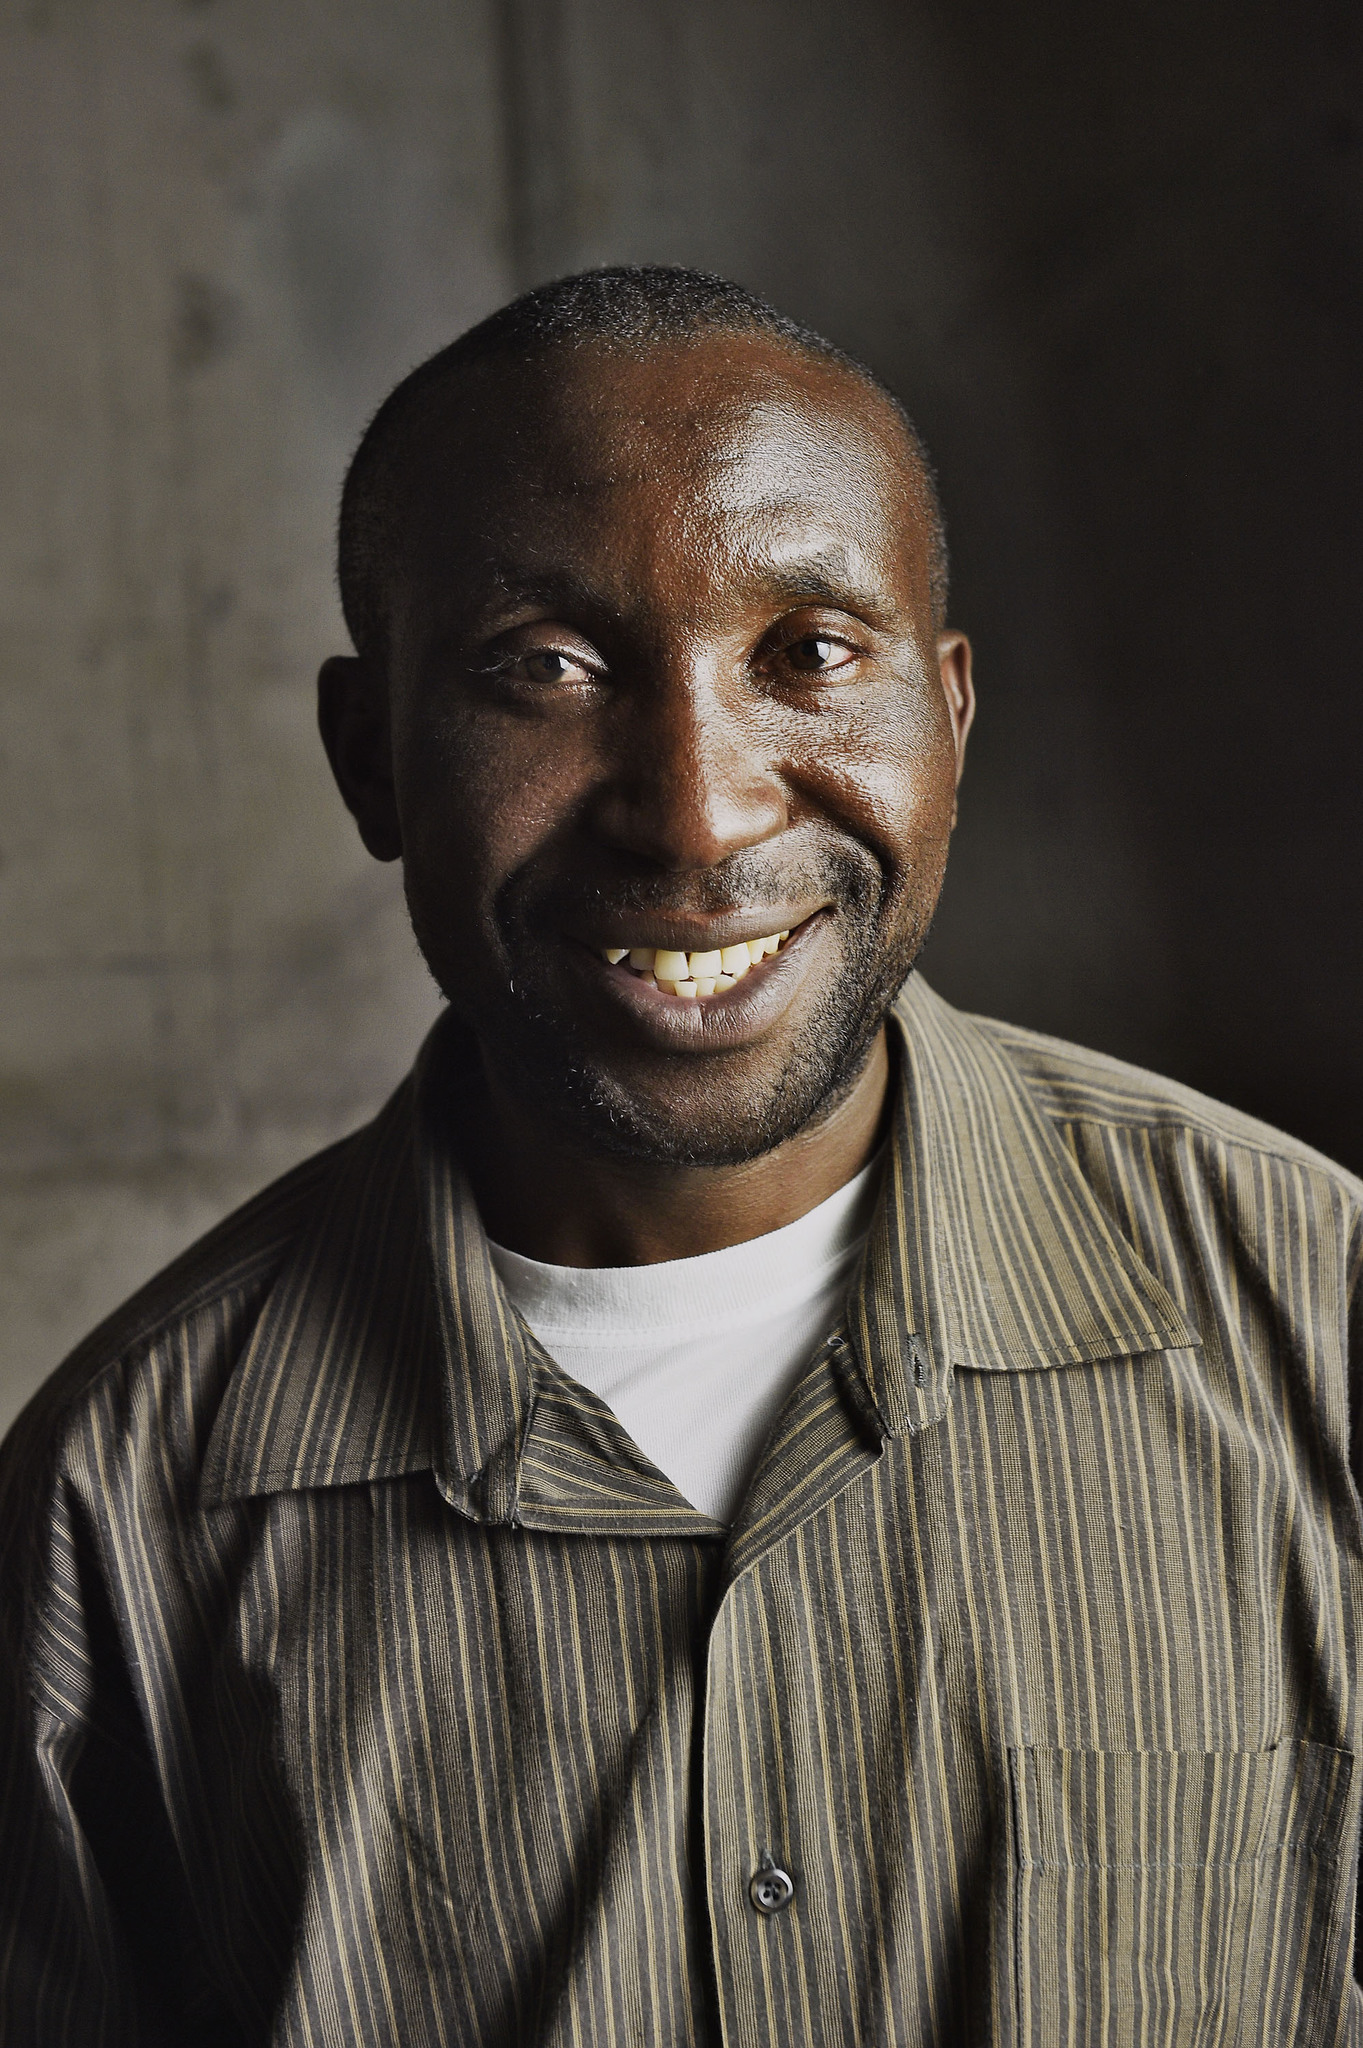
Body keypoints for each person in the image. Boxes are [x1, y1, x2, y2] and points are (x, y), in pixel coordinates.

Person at [1, 264, 1360, 2048]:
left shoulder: (1319, 1315)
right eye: (545, 669)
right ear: (371, 760)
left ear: (946, 719)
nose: (700, 808)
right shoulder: (120, 1512)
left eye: (809, 653)